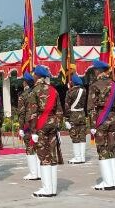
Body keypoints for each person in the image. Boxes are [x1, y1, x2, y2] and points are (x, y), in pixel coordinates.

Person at [27, 65, 63, 198]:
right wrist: (57, 125)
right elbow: (59, 111)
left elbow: (32, 113)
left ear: (37, 76)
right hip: (53, 124)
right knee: (52, 156)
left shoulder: (34, 91)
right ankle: (52, 189)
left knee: (43, 156)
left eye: (34, 75)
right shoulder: (54, 90)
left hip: (41, 125)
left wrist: (33, 131)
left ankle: (46, 189)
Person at [88, 59, 115, 191]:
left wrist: (93, 125)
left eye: (95, 70)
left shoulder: (95, 85)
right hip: (112, 118)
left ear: (98, 71)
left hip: (100, 119)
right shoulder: (114, 84)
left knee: (102, 149)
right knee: (112, 148)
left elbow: (91, 107)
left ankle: (107, 182)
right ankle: (113, 180)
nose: (94, 72)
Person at [18, 72, 41, 180]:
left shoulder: (23, 95)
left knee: (30, 148)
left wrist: (21, 127)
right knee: (39, 148)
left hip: (28, 124)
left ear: (25, 82)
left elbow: (21, 113)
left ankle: (33, 173)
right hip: (40, 123)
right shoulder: (37, 91)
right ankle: (40, 172)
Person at [64, 73, 87, 164]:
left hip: (73, 115)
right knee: (82, 136)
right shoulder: (84, 90)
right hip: (82, 114)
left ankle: (77, 157)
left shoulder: (70, 92)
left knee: (75, 136)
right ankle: (82, 157)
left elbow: (67, 106)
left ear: (73, 82)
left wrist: (66, 119)